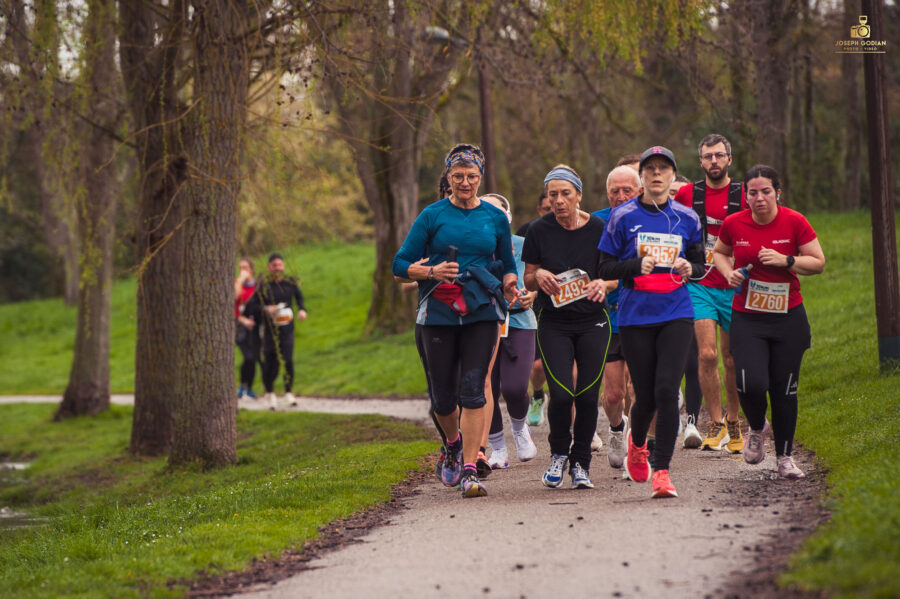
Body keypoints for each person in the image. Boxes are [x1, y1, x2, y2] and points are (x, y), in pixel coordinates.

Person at [392, 143, 518, 498]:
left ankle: (468, 469)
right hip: (438, 314)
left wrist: (509, 284)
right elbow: (399, 265)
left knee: (474, 390)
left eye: (472, 176)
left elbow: (507, 263)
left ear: (481, 178)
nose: (465, 183)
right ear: (447, 178)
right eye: (458, 176)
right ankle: (452, 443)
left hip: (481, 311)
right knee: (443, 399)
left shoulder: (493, 218)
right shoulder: (432, 216)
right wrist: (432, 271)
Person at [596, 146, 705, 498]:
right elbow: (604, 268)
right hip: (635, 315)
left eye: (664, 169)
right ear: (642, 176)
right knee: (644, 397)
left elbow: (699, 266)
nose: (657, 175)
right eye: (651, 169)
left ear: (673, 177)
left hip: (676, 313)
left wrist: (691, 268)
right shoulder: (622, 217)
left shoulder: (687, 218)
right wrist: (632, 267)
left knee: (666, 392)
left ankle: (662, 471)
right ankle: (637, 443)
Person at [713, 164, 825, 479]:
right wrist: (728, 272)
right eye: (753, 192)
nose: (760, 198)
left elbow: (818, 263)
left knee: (784, 389)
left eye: (766, 191)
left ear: (777, 192)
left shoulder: (794, 221)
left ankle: (785, 458)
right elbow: (720, 253)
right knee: (750, 382)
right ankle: (758, 426)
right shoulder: (734, 223)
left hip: (788, 316)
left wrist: (786, 260)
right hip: (748, 317)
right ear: (745, 196)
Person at [523, 164, 610, 490]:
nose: (558, 200)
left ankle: (581, 465)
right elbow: (529, 275)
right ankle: (559, 453)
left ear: (579, 196)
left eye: (565, 194)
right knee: (561, 395)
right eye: (553, 194)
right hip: (554, 323)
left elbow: (614, 273)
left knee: (588, 397)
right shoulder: (538, 230)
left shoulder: (599, 229)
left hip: (593, 321)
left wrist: (604, 283)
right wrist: (539, 276)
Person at [674, 134, 748, 453]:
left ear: (730, 159)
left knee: (732, 359)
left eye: (719, 155)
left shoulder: (744, 193)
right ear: (700, 161)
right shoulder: (688, 194)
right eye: (708, 156)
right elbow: (672, 229)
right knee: (707, 354)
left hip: (734, 286)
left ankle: (734, 422)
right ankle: (715, 422)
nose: (714, 161)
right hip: (699, 282)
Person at [480, 194, 539, 469]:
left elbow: (539, 277)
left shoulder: (524, 245)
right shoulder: (474, 248)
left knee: (514, 387)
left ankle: (519, 428)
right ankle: (497, 447)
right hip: (480, 324)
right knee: (485, 387)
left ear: (508, 217)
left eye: (498, 211)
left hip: (519, 321)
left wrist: (533, 294)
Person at [591, 165, 642, 469]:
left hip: (642, 314)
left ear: (640, 191)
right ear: (607, 192)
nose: (621, 196)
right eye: (615, 191)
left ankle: (636, 448)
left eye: (628, 190)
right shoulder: (596, 223)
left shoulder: (651, 220)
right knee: (613, 395)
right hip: (607, 317)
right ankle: (616, 428)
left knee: (638, 388)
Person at [243, 253, 307, 410]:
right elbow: (252, 306)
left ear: (283, 266)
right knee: (270, 362)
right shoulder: (263, 285)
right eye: (274, 265)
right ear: (269, 267)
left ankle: (288, 392)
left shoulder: (290, 282)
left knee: (288, 359)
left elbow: (299, 297)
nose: (277, 268)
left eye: (279, 265)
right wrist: (267, 309)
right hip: (269, 331)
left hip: (287, 329)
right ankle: (270, 392)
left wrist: (301, 310)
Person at [516, 190, 553, 427]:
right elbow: (521, 272)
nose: (555, 209)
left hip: (562, 304)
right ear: (540, 210)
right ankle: (538, 395)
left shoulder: (577, 229)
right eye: (547, 208)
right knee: (537, 366)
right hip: (533, 306)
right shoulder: (527, 232)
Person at [234, 257, 260, 400]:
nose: (243, 271)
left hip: (256, 327)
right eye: (240, 268)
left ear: (251, 269)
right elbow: (234, 299)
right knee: (248, 357)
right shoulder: (237, 284)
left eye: (245, 268)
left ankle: (249, 387)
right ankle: (242, 386)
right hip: (241, 327)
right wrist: (240, 280)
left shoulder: (258, 286)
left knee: (254, 358)